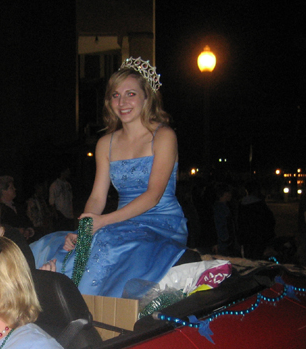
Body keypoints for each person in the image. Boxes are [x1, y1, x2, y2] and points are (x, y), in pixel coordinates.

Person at [31, 57, 188, 297]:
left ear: (147, 97)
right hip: (121, 222)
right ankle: (60, 303)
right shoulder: (106, 143)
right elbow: (96, 197)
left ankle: (87, 308)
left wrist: (104, 222)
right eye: (115, 95)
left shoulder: (164, 136)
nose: (122, 102)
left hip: (160, 222)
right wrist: (85, 229)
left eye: (131, 94)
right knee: (61, 245)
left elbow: (154, 196)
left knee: (108, 242)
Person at [237, 180, 275, 259]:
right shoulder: (260, 205)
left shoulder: (241, 205)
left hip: (246, 239)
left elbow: (239, 223)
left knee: (248, 259)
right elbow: (270, 222)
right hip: (259, 238)